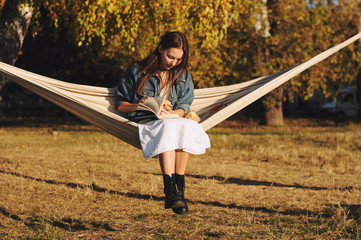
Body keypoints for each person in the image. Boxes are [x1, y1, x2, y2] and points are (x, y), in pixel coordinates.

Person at [115, 31, 210, 214]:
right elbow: (121, 104)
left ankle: (179, 192)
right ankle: (170, 188)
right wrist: (138, 105)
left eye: (178, 59)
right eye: (170, 56)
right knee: (169, 126)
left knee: (187, 126)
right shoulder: (137, 71)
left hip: (171, 118)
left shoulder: (182, 74)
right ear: (160, 48)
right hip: (146, 119)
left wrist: (175, 112)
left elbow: (184, 104)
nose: (173, 62)